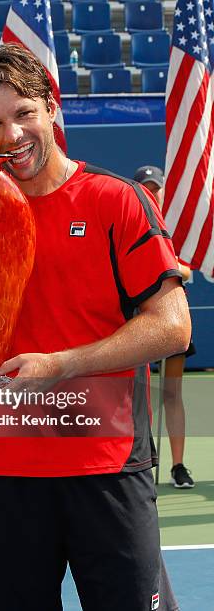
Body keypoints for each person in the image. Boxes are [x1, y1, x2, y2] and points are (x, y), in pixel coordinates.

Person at [0, 44, 191, 611]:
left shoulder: (115, 200)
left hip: (107, 465)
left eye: (23, 113)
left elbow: (172, 327)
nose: (11, 134)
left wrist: (62, 363)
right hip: (8, 466)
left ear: (51, 107)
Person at [134, 165, 195, 488]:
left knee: (172, 393)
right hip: (139, 322)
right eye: (146, 186)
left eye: (155, 187)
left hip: (173, 319)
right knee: (138, 393)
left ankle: (179, 465)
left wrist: (172, 267)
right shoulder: (134, 219)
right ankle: (144, 456)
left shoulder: (180, 227)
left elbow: (185, 271)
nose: (152, 192)